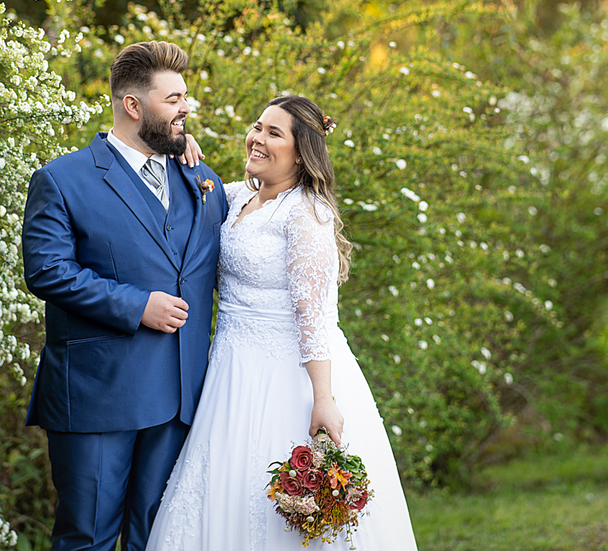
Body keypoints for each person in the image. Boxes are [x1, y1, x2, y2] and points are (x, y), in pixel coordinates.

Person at [145, 95, 420, 550]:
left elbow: (315, 315)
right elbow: (186, 184)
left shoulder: (306, 213)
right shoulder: (235, 197)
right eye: (257, 127)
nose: (257, 139)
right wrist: (181, 146)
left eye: (275, 133)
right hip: (230, 374)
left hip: (287, 378)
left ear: (301, 151)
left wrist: (324, 399)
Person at [22, 40, 228, 551]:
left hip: (181, 395)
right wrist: (137, 306)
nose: (187, 109)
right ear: (133, 106)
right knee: (87, 537)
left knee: (160, 537)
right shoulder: (62, 180)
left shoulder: (202, 180)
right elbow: (47, 271)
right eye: (174, 99)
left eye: (186, 98)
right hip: (98, 392)